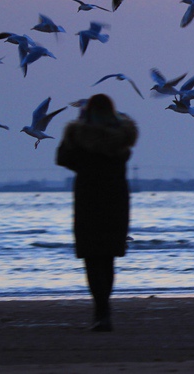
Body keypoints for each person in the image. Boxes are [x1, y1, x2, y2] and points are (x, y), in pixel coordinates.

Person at [55, 94, 137, 332]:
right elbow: (123, 157)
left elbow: (62, 158)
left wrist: (75, 132)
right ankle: (105, 310)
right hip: (116, 200)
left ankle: (100, 311)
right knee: (108, 257)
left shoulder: (79, 135)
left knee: (92, 258)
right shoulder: (123, 136)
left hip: (88, 200)